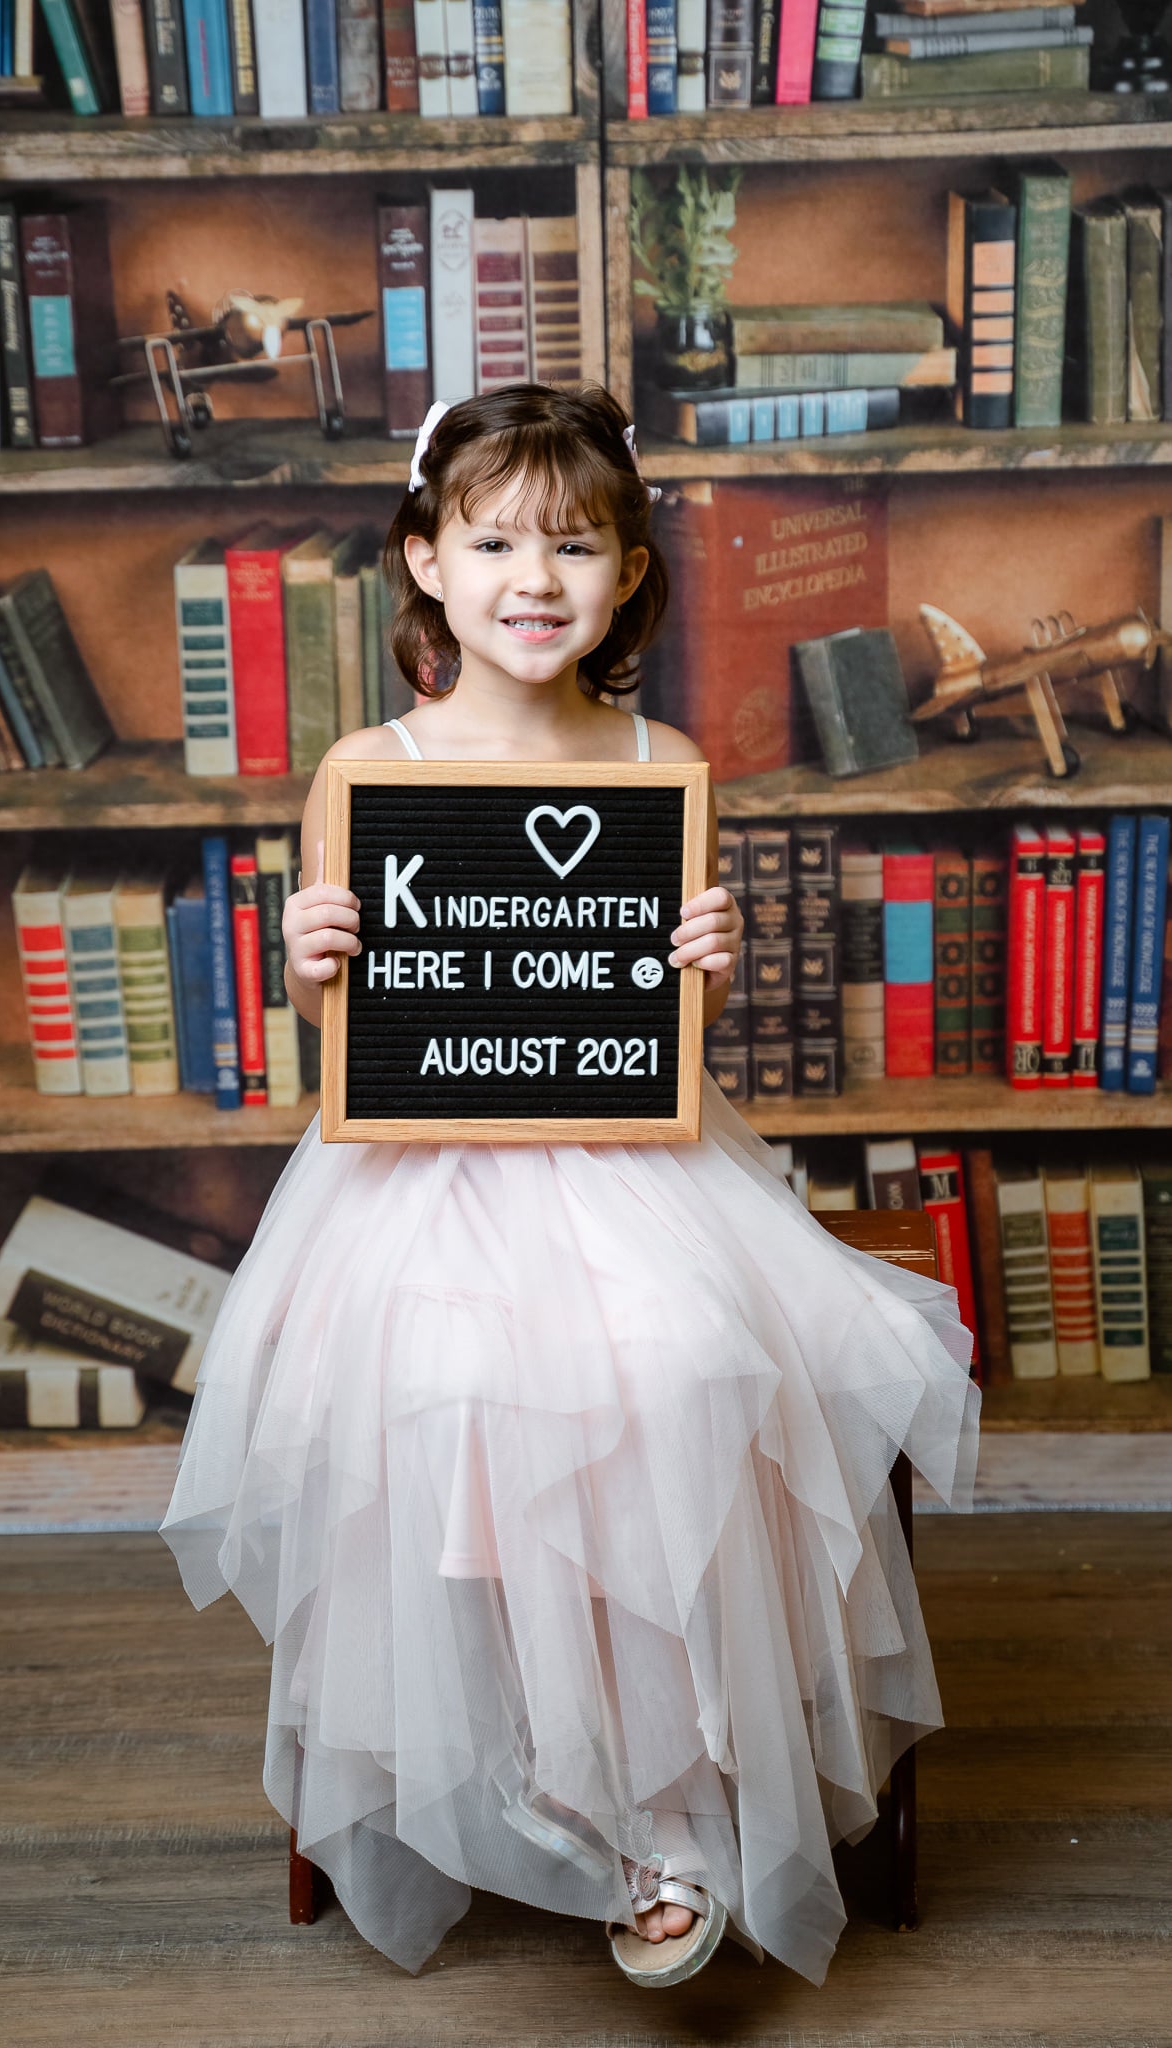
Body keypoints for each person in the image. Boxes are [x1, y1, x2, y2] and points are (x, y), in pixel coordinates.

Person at [160, 383, 979, 1991]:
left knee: (678, 1375)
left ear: (623, 577)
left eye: (574, 546)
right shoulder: (367, 767)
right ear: (425, 561)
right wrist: (314, 963)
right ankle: (523, 1762)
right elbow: (351, 1019)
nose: (533, 579)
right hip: (423, 1177)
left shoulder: (655, 760)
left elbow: (653, 1017)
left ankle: (667, 1810)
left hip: (627, 1164)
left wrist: (710, 967)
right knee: (453, 1383)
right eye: (492, 544)